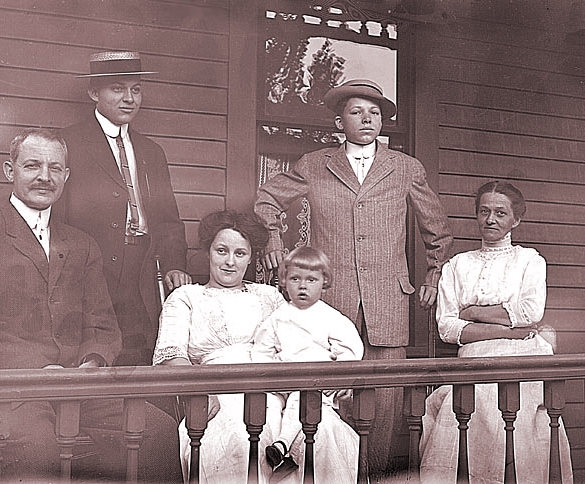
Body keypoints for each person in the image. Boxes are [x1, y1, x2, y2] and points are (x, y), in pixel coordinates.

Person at [254, 78, 453, 472]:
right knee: (331, 394)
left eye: (375, 112)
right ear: (339, 121)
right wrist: (275, 237)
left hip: (389, 301)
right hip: (331, 300)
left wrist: (432, 274)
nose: (367, 119)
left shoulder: (406, 168)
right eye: (356, 111)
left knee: (385, 400)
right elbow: (266, 198)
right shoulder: (314, 164)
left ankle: (374, 475)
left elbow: (439, 230)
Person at [0, 128, 182, 482]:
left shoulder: (81, 244)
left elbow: (103, 324)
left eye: (55, 168)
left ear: (66, 176)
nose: (45, 177)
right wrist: (39, 371)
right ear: (9, 171)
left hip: (79, 387)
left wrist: (91, 363)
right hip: (11, 390)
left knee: (158, 430)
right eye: (32, 165)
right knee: (38, 449)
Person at [153, 210, 361, 484]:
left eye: (240, 253)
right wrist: (201, 390)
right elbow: (172, 357)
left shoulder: (270, 296)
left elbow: (312, 335)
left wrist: (340, 370)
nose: (229, 262)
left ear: (251, 258)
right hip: (219, 393)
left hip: (278, 388)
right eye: (221, 251)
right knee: (243, 439)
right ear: (208, 251)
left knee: (322, 431)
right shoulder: (187, 297)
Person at [419, 181, 573, 483]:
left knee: (515, 414)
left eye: (501, 213)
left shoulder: (529, 260)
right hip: (476, 356)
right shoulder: (456, 266)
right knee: (469, 406)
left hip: (524, 356)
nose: (491, 219)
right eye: (484, 211)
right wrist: (508, 328)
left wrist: (474, 314)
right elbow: (448, 328)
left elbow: (530, 312)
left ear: (515, 219)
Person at [58, 51, 189, 366]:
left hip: (141, 271)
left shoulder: (151, 152)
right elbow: (58, 217)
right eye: (118, 88)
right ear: (94, 93)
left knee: (137, 356)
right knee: (91, 354)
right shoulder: (69, 143)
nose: (129, 98)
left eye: (136, 89)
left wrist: (174, 264)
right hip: (91, 270)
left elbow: (169, 220)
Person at [251, 246, 363, 482]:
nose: (303, 286)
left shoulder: (331, 317)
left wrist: (341, 375)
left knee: (300, 403)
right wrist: (270, 377)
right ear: (284, 281)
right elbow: (262, 350)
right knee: (286, 403)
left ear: (324, 282)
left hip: (317, 382)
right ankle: (287, 453)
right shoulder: (277, 317)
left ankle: (282, 446)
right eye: (295, 279)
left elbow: (350, 350)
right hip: (284, 380)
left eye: (311, 279)